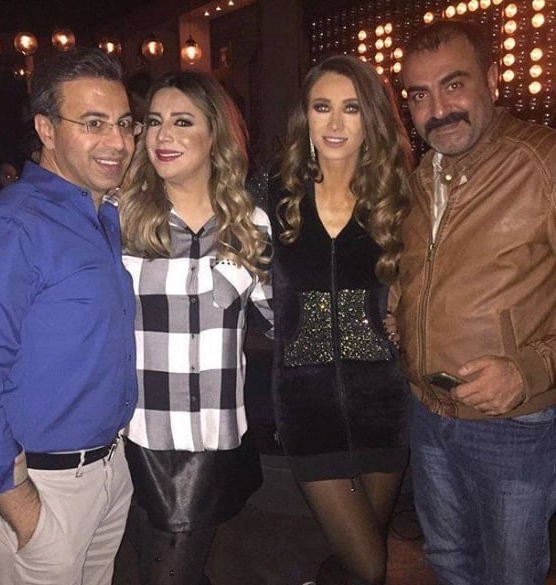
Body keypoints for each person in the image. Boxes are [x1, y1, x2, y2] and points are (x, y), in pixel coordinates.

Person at [0, 47, 140, 585]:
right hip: (37, 488)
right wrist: (20, 505)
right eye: (93, 123)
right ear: (46, 128)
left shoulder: (101, 215)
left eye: (124, 123)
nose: (118, 141)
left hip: (107, 473)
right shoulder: (10, 226)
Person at [396, 20, 556, 585]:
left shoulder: (542, 162)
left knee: (511, 572)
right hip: (428, 411)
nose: (438, 109)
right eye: (419, 95)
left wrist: (530, 369)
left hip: (512, 422)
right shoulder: (422, 177)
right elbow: (429, 269)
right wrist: (401, 305)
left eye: (453, 85)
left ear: (491, 79)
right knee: (448, 561)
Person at [119, 70, 273, 585]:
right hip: (133, 435)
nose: (163, 135)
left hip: (207, 440)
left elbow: (283, 320)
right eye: (154, 122)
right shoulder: (119, 217)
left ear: (215, 135)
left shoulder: (250, 224)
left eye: (182, 122)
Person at [265, 55, 411, 585]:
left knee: (362, 557)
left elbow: (434, 279)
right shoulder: (273, 198)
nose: (334, 122)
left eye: (351, 108)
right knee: (370, 565)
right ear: (304, 116)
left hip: (384, 403)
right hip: (305, 407)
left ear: (371, 118)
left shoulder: (399, 199)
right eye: (321, 106)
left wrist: (406, 312)